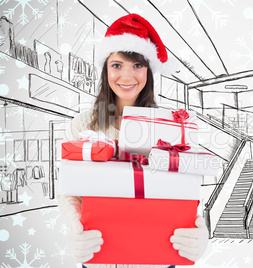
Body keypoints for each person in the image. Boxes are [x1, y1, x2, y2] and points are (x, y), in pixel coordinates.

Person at [57, 14, 209, 268]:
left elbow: (184, 185)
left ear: (149, 70)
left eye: (137, 65)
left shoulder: (169, 126)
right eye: (117, 65)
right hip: (99, 253)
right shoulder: (83, 125)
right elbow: (69, 188)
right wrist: (74, 226)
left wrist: (200, 228)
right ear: (105, 69)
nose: (127, 76)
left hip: (158, 255)